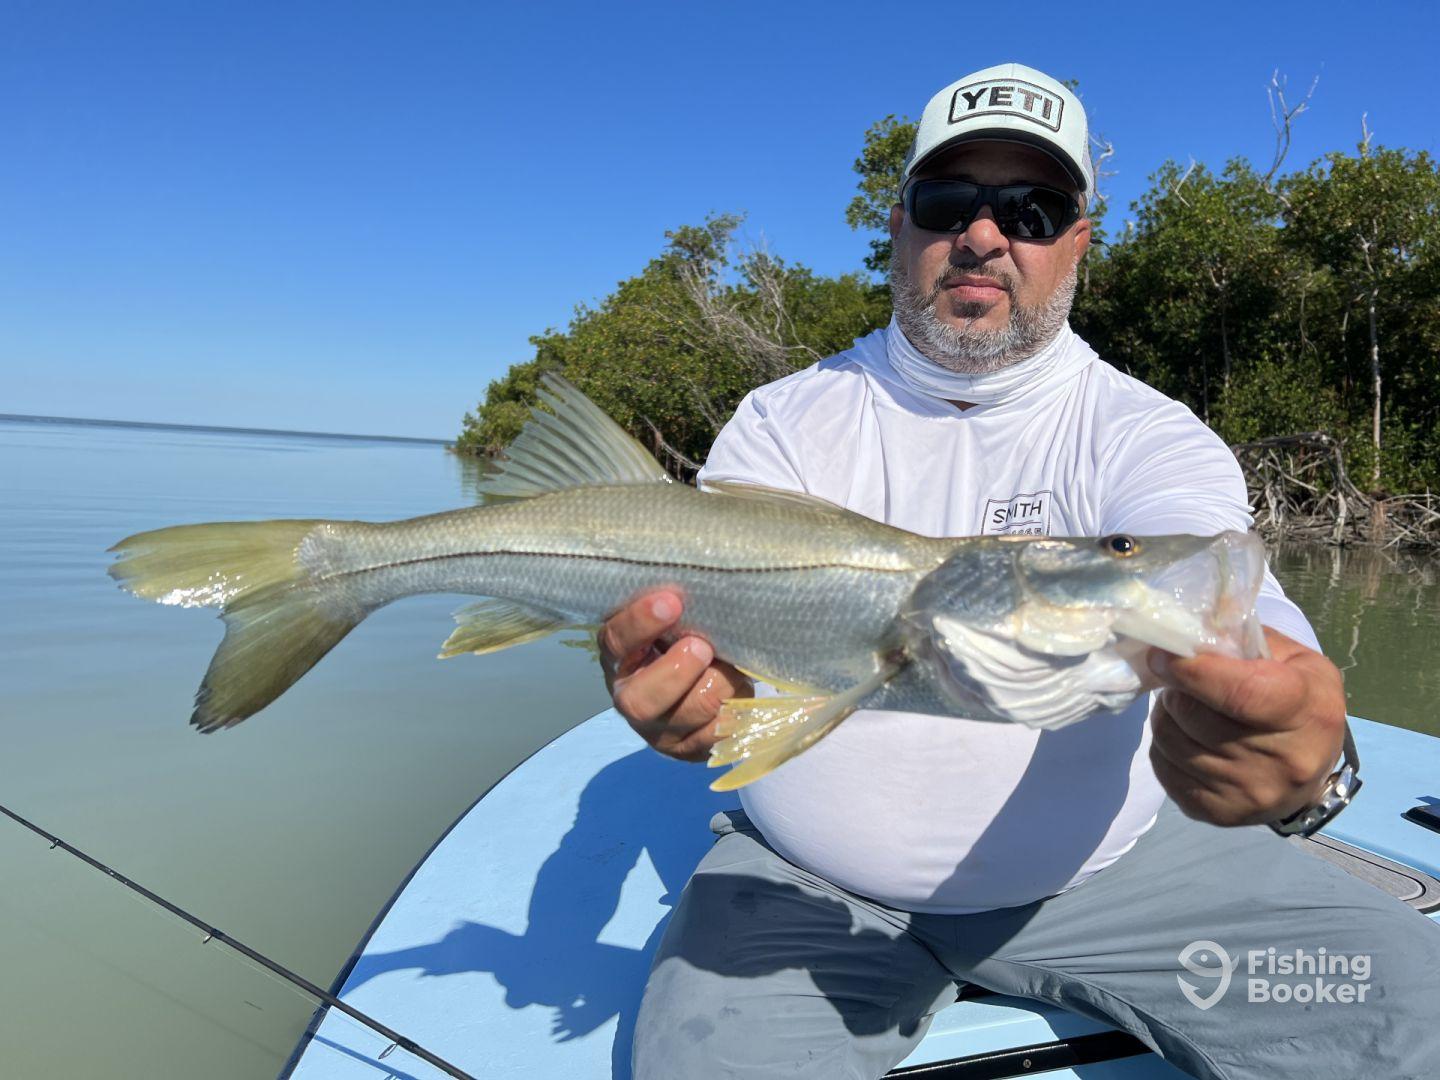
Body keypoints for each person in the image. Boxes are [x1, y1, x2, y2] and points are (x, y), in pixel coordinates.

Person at [599, 64, 1440, 1079]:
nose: (985, 236)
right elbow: (708, 649)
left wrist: (1292, 708)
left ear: (1079, 241)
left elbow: (1219, 576)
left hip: (1116, 873)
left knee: (1415, 1016)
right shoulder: (781, 423)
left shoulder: (1145, 432)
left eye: (1034, 210)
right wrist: (691, 695)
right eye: (950, 202)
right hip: (802, 887)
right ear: (901, 224)